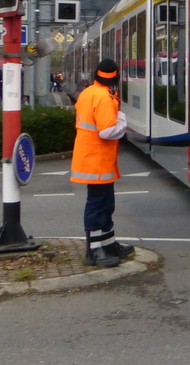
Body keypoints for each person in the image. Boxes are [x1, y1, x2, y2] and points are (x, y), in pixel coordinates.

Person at [70, 58, 134, 267]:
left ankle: (108, 244)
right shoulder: (103, 97)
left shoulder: (88, 92)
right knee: (98, 205)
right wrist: (122, 119)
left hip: (92, 158)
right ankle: (94, 251)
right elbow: (107, 132)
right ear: (115, 79)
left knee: (105, 204)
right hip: (97, 160)